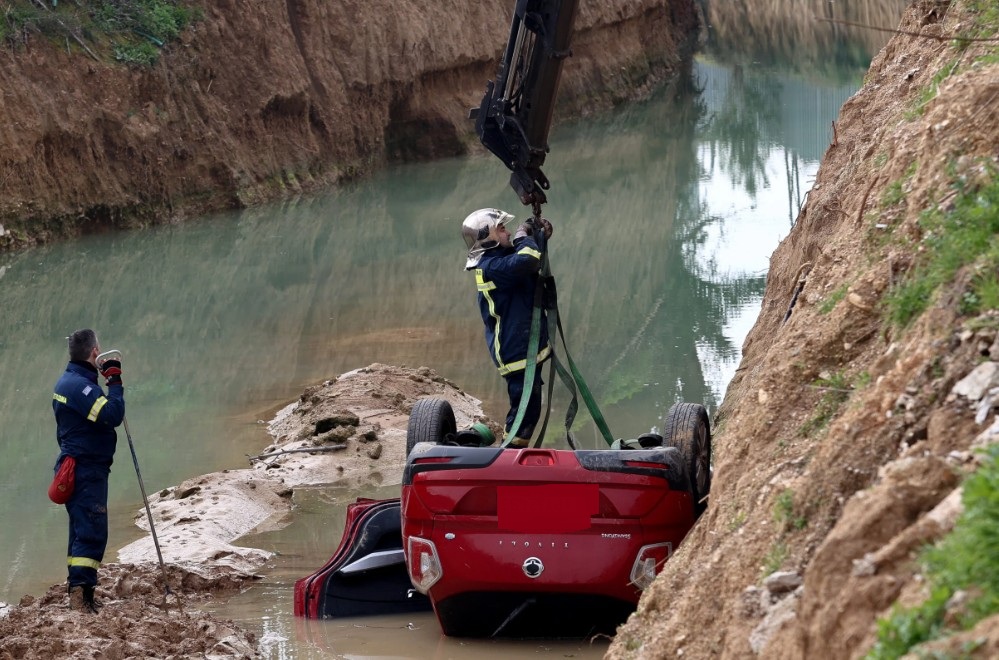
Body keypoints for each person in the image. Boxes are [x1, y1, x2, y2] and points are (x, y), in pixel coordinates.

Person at [462, 208, 553, 448]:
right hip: (515, 349)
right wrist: (525, 235)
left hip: (524, 345)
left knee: (529, 403)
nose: (509, 232)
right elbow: (527, 259)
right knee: (525, 408)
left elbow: (526, 259)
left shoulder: (500, 259)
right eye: (502, 228)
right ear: (487, 236)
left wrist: (536, 233)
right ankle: (511, 451)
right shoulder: (491, 266)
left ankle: (512, 450)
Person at [51, 329, 125, 613]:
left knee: (81, 530)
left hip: (79, 465)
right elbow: (112, 415)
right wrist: (115, 382)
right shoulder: (79, 388)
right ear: (95, 352)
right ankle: (81, 598)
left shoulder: (71, 381)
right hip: (85, 469)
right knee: (92, 532)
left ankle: (78, 590)